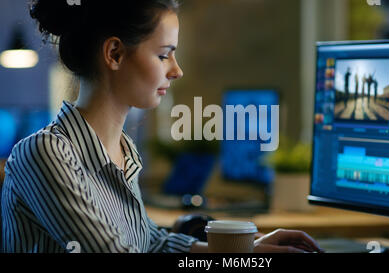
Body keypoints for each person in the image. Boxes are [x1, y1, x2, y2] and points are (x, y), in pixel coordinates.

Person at [1, 0, 323, 253]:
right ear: (114, 53)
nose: (177, 70)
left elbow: (151, 244)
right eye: (164, 55)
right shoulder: (44, 153)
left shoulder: (123, 151)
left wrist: (245, 251)